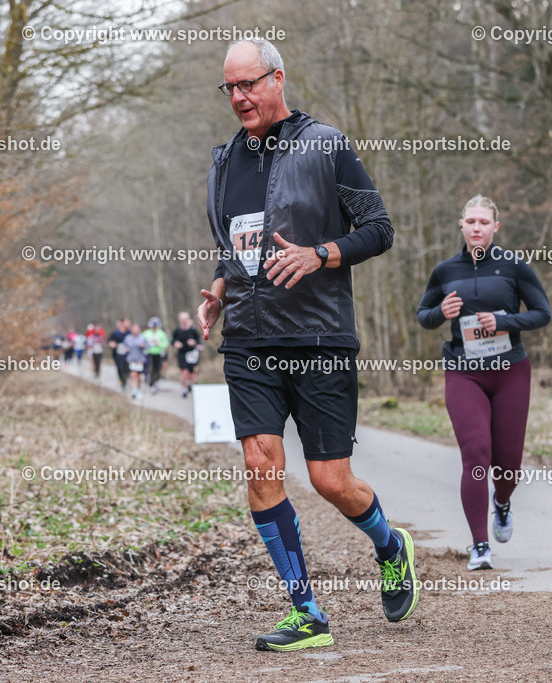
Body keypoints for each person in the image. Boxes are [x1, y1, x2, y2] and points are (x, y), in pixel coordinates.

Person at [197, 39, 415, 653]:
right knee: (261, 467)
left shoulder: (326, 145)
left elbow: (379, 229)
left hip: (318, 336)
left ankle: (389, 544)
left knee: (329, 480)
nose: (239, 97)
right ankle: (306, 611)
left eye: (249, 84)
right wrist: (218, 289)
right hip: (247, 340)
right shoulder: (223, 163)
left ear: (278, 79)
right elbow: (233, 245)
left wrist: (321, 253)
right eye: (230, 89)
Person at [416, 195, 551, 571]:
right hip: (464, 370)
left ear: (496, 227)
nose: (477, 228)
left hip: (510, 370)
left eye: (484, 222)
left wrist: (504, 321)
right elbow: (423, 315)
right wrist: (440, 312)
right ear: (461, 225)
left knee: (507, 465)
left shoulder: (514, 268)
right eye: (470, 221)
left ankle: (502, 503)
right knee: (475, 454)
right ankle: (479, 545)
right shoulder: (445, 271)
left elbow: (543, 314)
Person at [172, 311, 203, 398]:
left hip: (192, 354)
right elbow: (172, 341)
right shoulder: (177, 331)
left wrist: (194, 343)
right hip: (182, 353)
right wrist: (176, 343)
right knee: (184, 372)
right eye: (183, 319)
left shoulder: (192, 330)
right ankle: (185, 390)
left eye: (186, 319)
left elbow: (199, 340)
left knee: (192, 373)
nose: (185, 321)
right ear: (179, 320)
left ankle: (190, 385)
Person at [140, 317, 170, 394]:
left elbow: (166, 344)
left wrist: (158, 343)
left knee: (157, 369)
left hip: (158, 354)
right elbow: (141, 342)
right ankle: (150, 381)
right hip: (149, 354)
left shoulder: (161, 333)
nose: (154, 327)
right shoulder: (146, 333)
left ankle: (155, 382)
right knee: (150, 368)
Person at [122, 323, 147, 399]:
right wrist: (125, 350)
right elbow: (123, 347)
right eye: (134, 329)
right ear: (131, 330)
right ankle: (134, 391)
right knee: (133, 375)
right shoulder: (127, 338)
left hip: (140, 360)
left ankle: (138, 389)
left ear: (139, 330)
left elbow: (148, 348)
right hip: (131, 360)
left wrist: (144, 346)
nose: (135, 331)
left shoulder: (143, 338)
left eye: (137, 329)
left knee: (139, 377)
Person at [108, 319, 130, 389]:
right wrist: (113, 345)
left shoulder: (129, 332)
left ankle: (125, 378)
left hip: (127, 354)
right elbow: (110, 342)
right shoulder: (115, 333)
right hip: (117, 354)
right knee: (120, 368)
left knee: (127, 368)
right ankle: (122, 381)